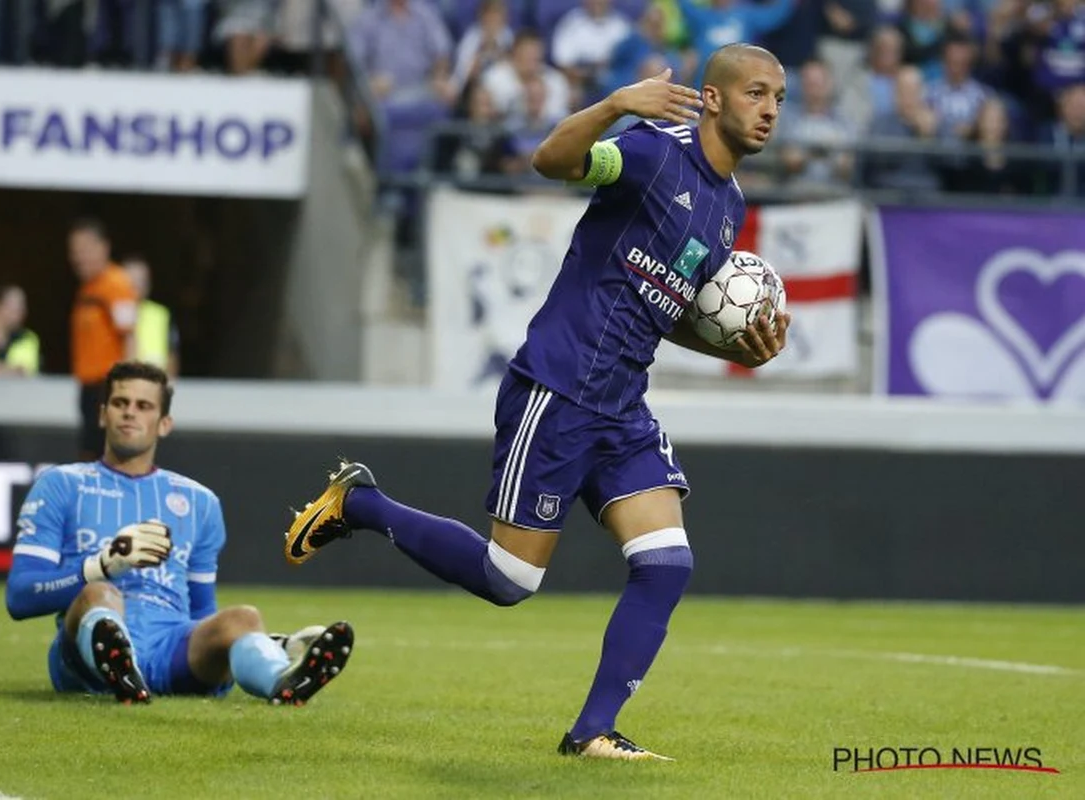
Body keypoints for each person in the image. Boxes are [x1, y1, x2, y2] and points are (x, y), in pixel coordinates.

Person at [284, 44, 791, 760]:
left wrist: (734, 350)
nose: (770, 111)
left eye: (778, 99)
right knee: (509, 578)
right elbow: (551, 161)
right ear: (713, 98)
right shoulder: (648, 152)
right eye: (757, 94)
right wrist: (615, 105)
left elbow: (667, 308)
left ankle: (593, 734)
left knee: (668, 564)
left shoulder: (728, 205)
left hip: (622, 405)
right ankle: (359, 503)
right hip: (561, 388)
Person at [6, 360, 354, 705]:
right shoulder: (61, 485)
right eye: (119, 403)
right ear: (102, 414)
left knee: (243, 617)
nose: (130, 413)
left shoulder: (199, 503)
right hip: (82, 654)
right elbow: (20, 597)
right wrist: (102, 565)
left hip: (171, 645)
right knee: (99, 593)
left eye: (143, 406)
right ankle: (117, 664)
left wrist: (257, 642)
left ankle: (282, 677)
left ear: (164, 423)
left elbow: (203, 612)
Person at [69, 218, 137, 462]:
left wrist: (127, 387)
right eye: (75, 251)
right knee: (89, 454)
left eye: (85, 249)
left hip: (107, 387)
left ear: (103, 247)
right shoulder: (88, 289)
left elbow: (129, 335)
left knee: (105, 455)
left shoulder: (116, 284)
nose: (79, 258)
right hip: (89, 387)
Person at [122, 256, 180, 379]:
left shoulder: (161, 314)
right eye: (131, 280)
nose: (137, 286)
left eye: (142, 280)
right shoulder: (109, 313)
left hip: (156, 386)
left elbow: (172, 354)